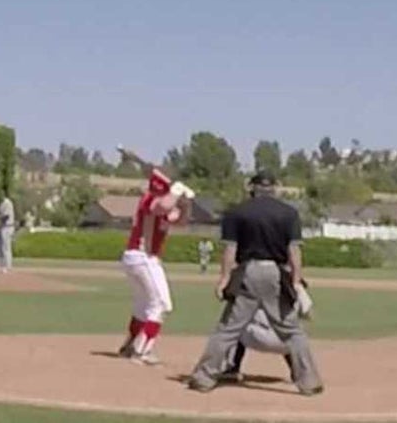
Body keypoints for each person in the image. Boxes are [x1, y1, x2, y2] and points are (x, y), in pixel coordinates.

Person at [188, 170, 323, 395]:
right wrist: (296, 281)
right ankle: (308, 381)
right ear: (275, 188)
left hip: (247, 271)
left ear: (252, 187)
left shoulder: (237, 213)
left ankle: (204, 377)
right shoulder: (288, 213)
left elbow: (230, 249)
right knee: (291, 331)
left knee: (228, 329)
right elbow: (294, 250)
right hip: (276, 274)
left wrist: (224, 279)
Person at [116, 168, 195, 366]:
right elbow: (162, 206)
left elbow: (181, 221)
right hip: (143, 257)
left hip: (137, 258)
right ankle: (142, 351)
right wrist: (176, 191)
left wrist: (186, 203)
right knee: (161, 305)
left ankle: (130, 346)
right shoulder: (150, 200)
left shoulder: (163, 205)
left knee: (143, 307)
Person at [0, 193, 15, 273]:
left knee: (6, 247)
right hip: (1, 227)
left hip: (7, 227)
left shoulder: (7, 203)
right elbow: (0, 216)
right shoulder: (1, 204)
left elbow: (6, 216)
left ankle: (7, 267)